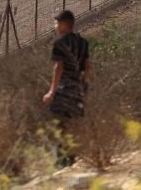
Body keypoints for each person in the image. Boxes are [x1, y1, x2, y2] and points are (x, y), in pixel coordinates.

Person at [42, 10, 91, 168]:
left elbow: (59, 67)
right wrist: (84, 87)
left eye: (56, 23)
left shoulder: (60, 43)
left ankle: (61, 163)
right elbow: (87, 67)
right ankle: (70, 159)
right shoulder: (83, 42)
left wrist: (52, 91)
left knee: (61, 126)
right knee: (73, 125)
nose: (55, 26)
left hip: (64, 90)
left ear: (63, 24)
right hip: (77, 89)